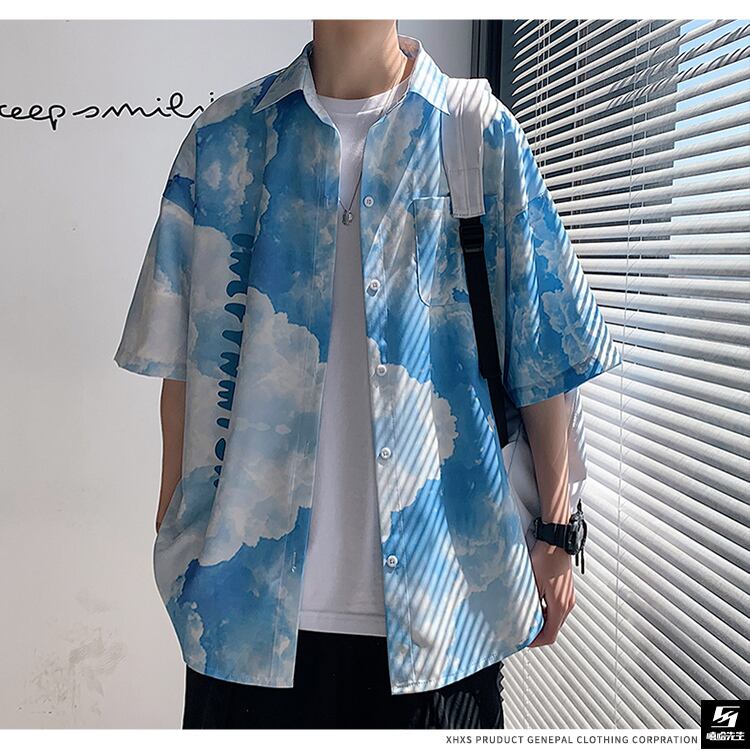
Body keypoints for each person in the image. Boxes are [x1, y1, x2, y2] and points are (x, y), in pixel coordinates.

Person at [114, 20, 621, 729]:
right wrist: (176, 522)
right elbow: (181, 361)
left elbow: (543, 357)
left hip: (446, 611)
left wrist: (559, 536)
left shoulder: (476, 134)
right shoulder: (225, 137)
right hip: (244, 615)